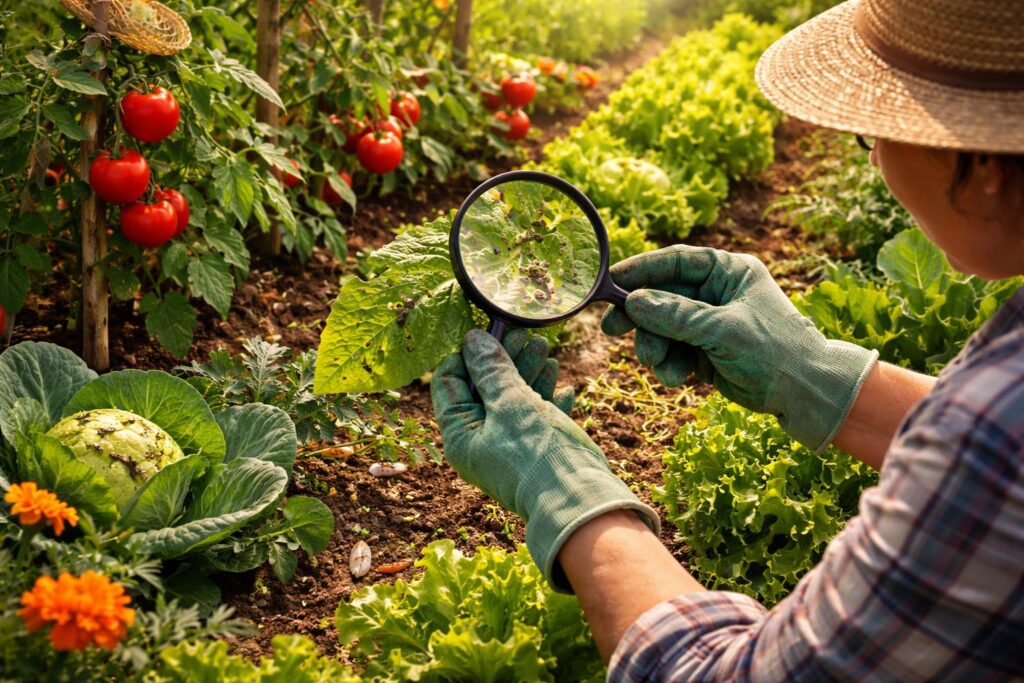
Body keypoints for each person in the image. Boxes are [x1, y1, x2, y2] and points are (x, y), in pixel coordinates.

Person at [430, 0, 1024, 679]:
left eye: (875, 135)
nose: (876, 155)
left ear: (983, 169)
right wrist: (817, 376)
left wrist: (567, 491)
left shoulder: (993, 423)